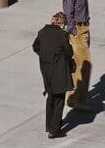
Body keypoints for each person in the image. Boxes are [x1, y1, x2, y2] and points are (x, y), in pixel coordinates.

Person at [32, 11, 74, 139]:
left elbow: (35, 46)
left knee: (50, 96)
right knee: (59, 98)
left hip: (45, 68)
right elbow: (69, 52)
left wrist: (44, 55)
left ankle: (49, 124)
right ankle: (55, 130)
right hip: (58, 69)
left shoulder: (43, 31)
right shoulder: (62, 35)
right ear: (62, 24)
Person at [62, 0, 93, 111]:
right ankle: (78, 100)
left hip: (84, 30)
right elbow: (68, 13)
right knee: (84, 65)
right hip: (78, 32)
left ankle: (72, 97)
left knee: (78, 65)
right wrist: (74, 31)